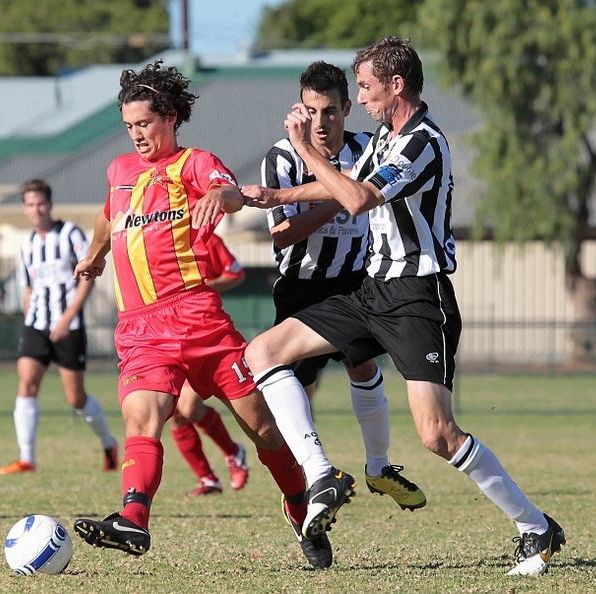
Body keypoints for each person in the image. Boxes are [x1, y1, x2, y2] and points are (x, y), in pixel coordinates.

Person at [242, 36, 565, 577]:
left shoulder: (422, 143)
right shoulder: (386, 138)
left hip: (418, 297)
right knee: (264, 352)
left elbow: (358, 199)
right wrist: (270, 197)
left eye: (365, 88)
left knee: (438, 435)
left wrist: (301, 149)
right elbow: (339, 185)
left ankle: (536, 527)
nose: (360, 100)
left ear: (396, 86)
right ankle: (320, 472)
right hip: (372, 291)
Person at [72, 61, 332, 570]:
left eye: (144, 124)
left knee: (263, 432)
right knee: (141, 419)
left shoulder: (194, 162)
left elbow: (231, 192)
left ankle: (301, 509)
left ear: (169, 118)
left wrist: (219, 195)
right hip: (141, 328)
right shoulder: (120, 171)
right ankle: (132, 519)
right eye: (129, 126)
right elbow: (108, 213)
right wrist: (98, 253)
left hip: (199, 322)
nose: (137, 135)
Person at [262, 60, 425, 511]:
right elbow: (283, 233)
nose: (320, 122)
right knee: (296, 387)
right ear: (300, 109)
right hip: (300, 285)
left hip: (355, 282)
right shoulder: (281, 155)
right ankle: (314, 481)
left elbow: (377, 198)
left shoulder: (370, 146)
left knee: (365, 369)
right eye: (311, 111)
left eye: (330, 111)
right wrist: (341, 201)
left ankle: (378, 466)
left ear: (347, 108)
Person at [0, 179, 119, 475]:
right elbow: (29, 287)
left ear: (49, 204)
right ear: (25, 208)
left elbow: (88, 274)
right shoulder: (27, 245)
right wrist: (29, 319)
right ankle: (26, 458)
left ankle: (108, 442)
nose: (36, 209)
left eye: (40, 203)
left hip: (69, 326)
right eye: (30, 204)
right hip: (36, 326)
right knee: (26, 383)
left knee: (75, 398)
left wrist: (67, 317)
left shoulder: (69, 234)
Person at [170, 233, 249, 497]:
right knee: (176, 413)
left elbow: (235, 273)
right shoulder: (154, 237)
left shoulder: (206, 239)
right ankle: (208, 479)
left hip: (200, 334)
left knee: (189, 406)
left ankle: (233, 451)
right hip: (164, 335)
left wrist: (206, 288)